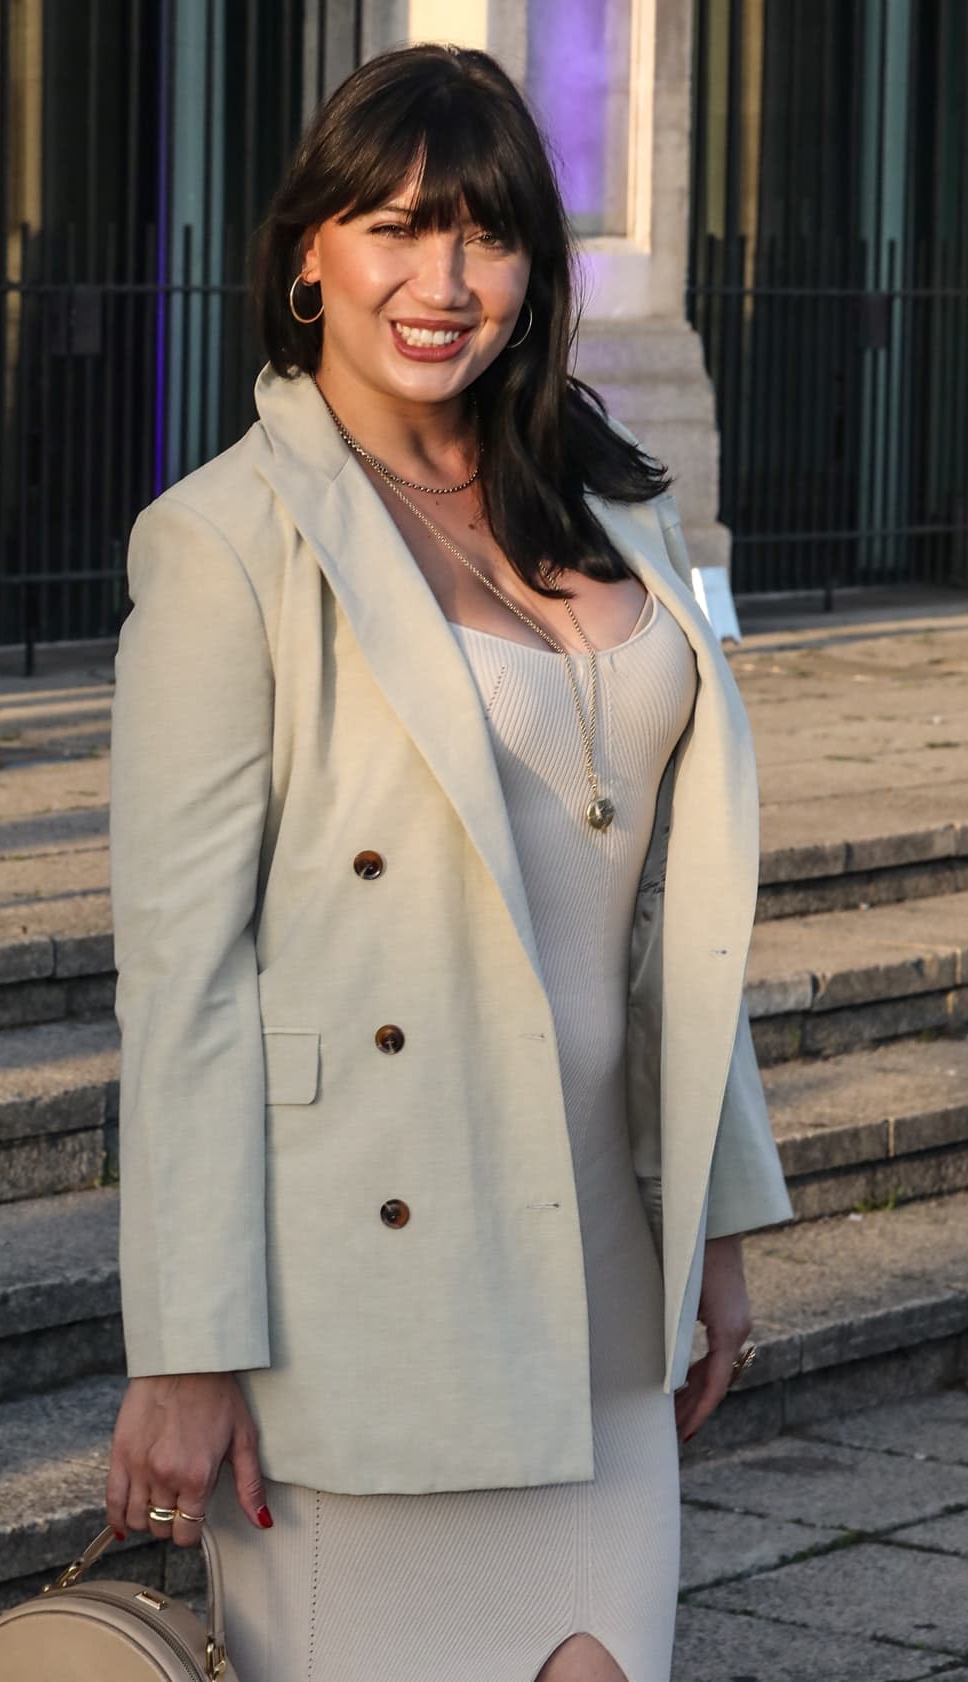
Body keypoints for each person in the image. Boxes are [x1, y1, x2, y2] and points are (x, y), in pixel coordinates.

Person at [104, 41, 793, 1682]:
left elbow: (676, 916)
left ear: (536, 270)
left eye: (485, 235)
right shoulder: (225, 544)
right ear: (307, 258)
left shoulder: (614, 507)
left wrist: (719, 1220)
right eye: (397, 228)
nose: (443, 280)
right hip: (370, 1291)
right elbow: (184, 981)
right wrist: (187, 1347)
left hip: (600, 1273)